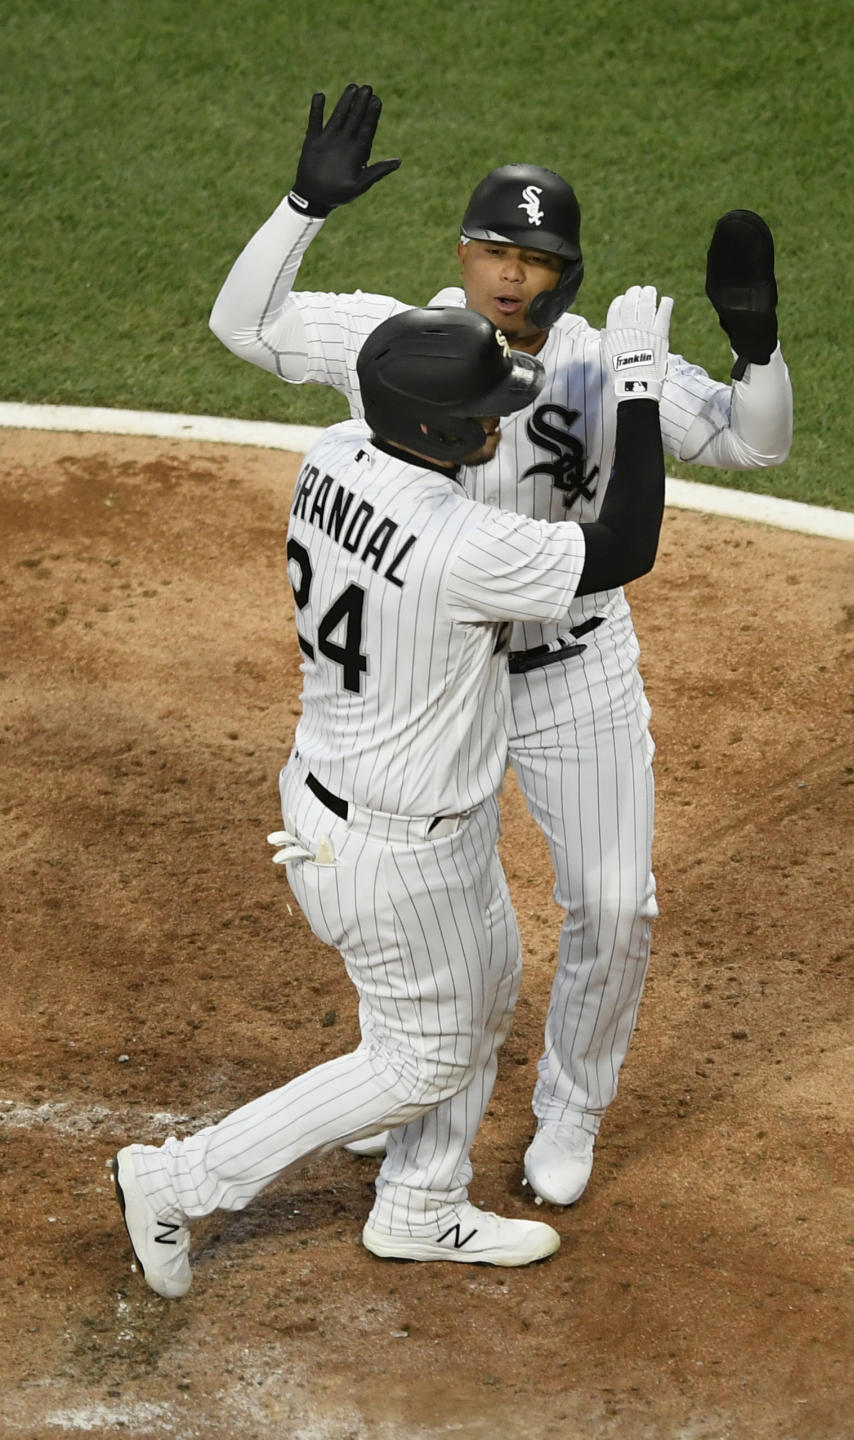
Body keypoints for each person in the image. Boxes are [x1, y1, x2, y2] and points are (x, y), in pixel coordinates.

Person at [208, 83, 794, 1206]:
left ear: (565, 270)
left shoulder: (595, 358)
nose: (512, 272)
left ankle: (571, 1107)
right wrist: (300, 207)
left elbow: (755, 443)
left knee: (615, 901)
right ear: (464, 253)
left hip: (574, 671)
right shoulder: (411, 341)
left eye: (535, 255)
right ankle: (412, 1091)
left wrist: (755, 343)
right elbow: (245, 326)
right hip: (447, 685)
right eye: (493, 248)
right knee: (433, 909)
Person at [112, 293, 674, 1297]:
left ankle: (421, 1204)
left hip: (362, 807)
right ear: (439, 428)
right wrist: (630, 386)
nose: (498, 424)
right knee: (421, 1058)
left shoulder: (330, 455)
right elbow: (625, 546)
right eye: (482, 410)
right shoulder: (463, 543)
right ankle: (179, 1178)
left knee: (485, 988)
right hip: (391, 850)